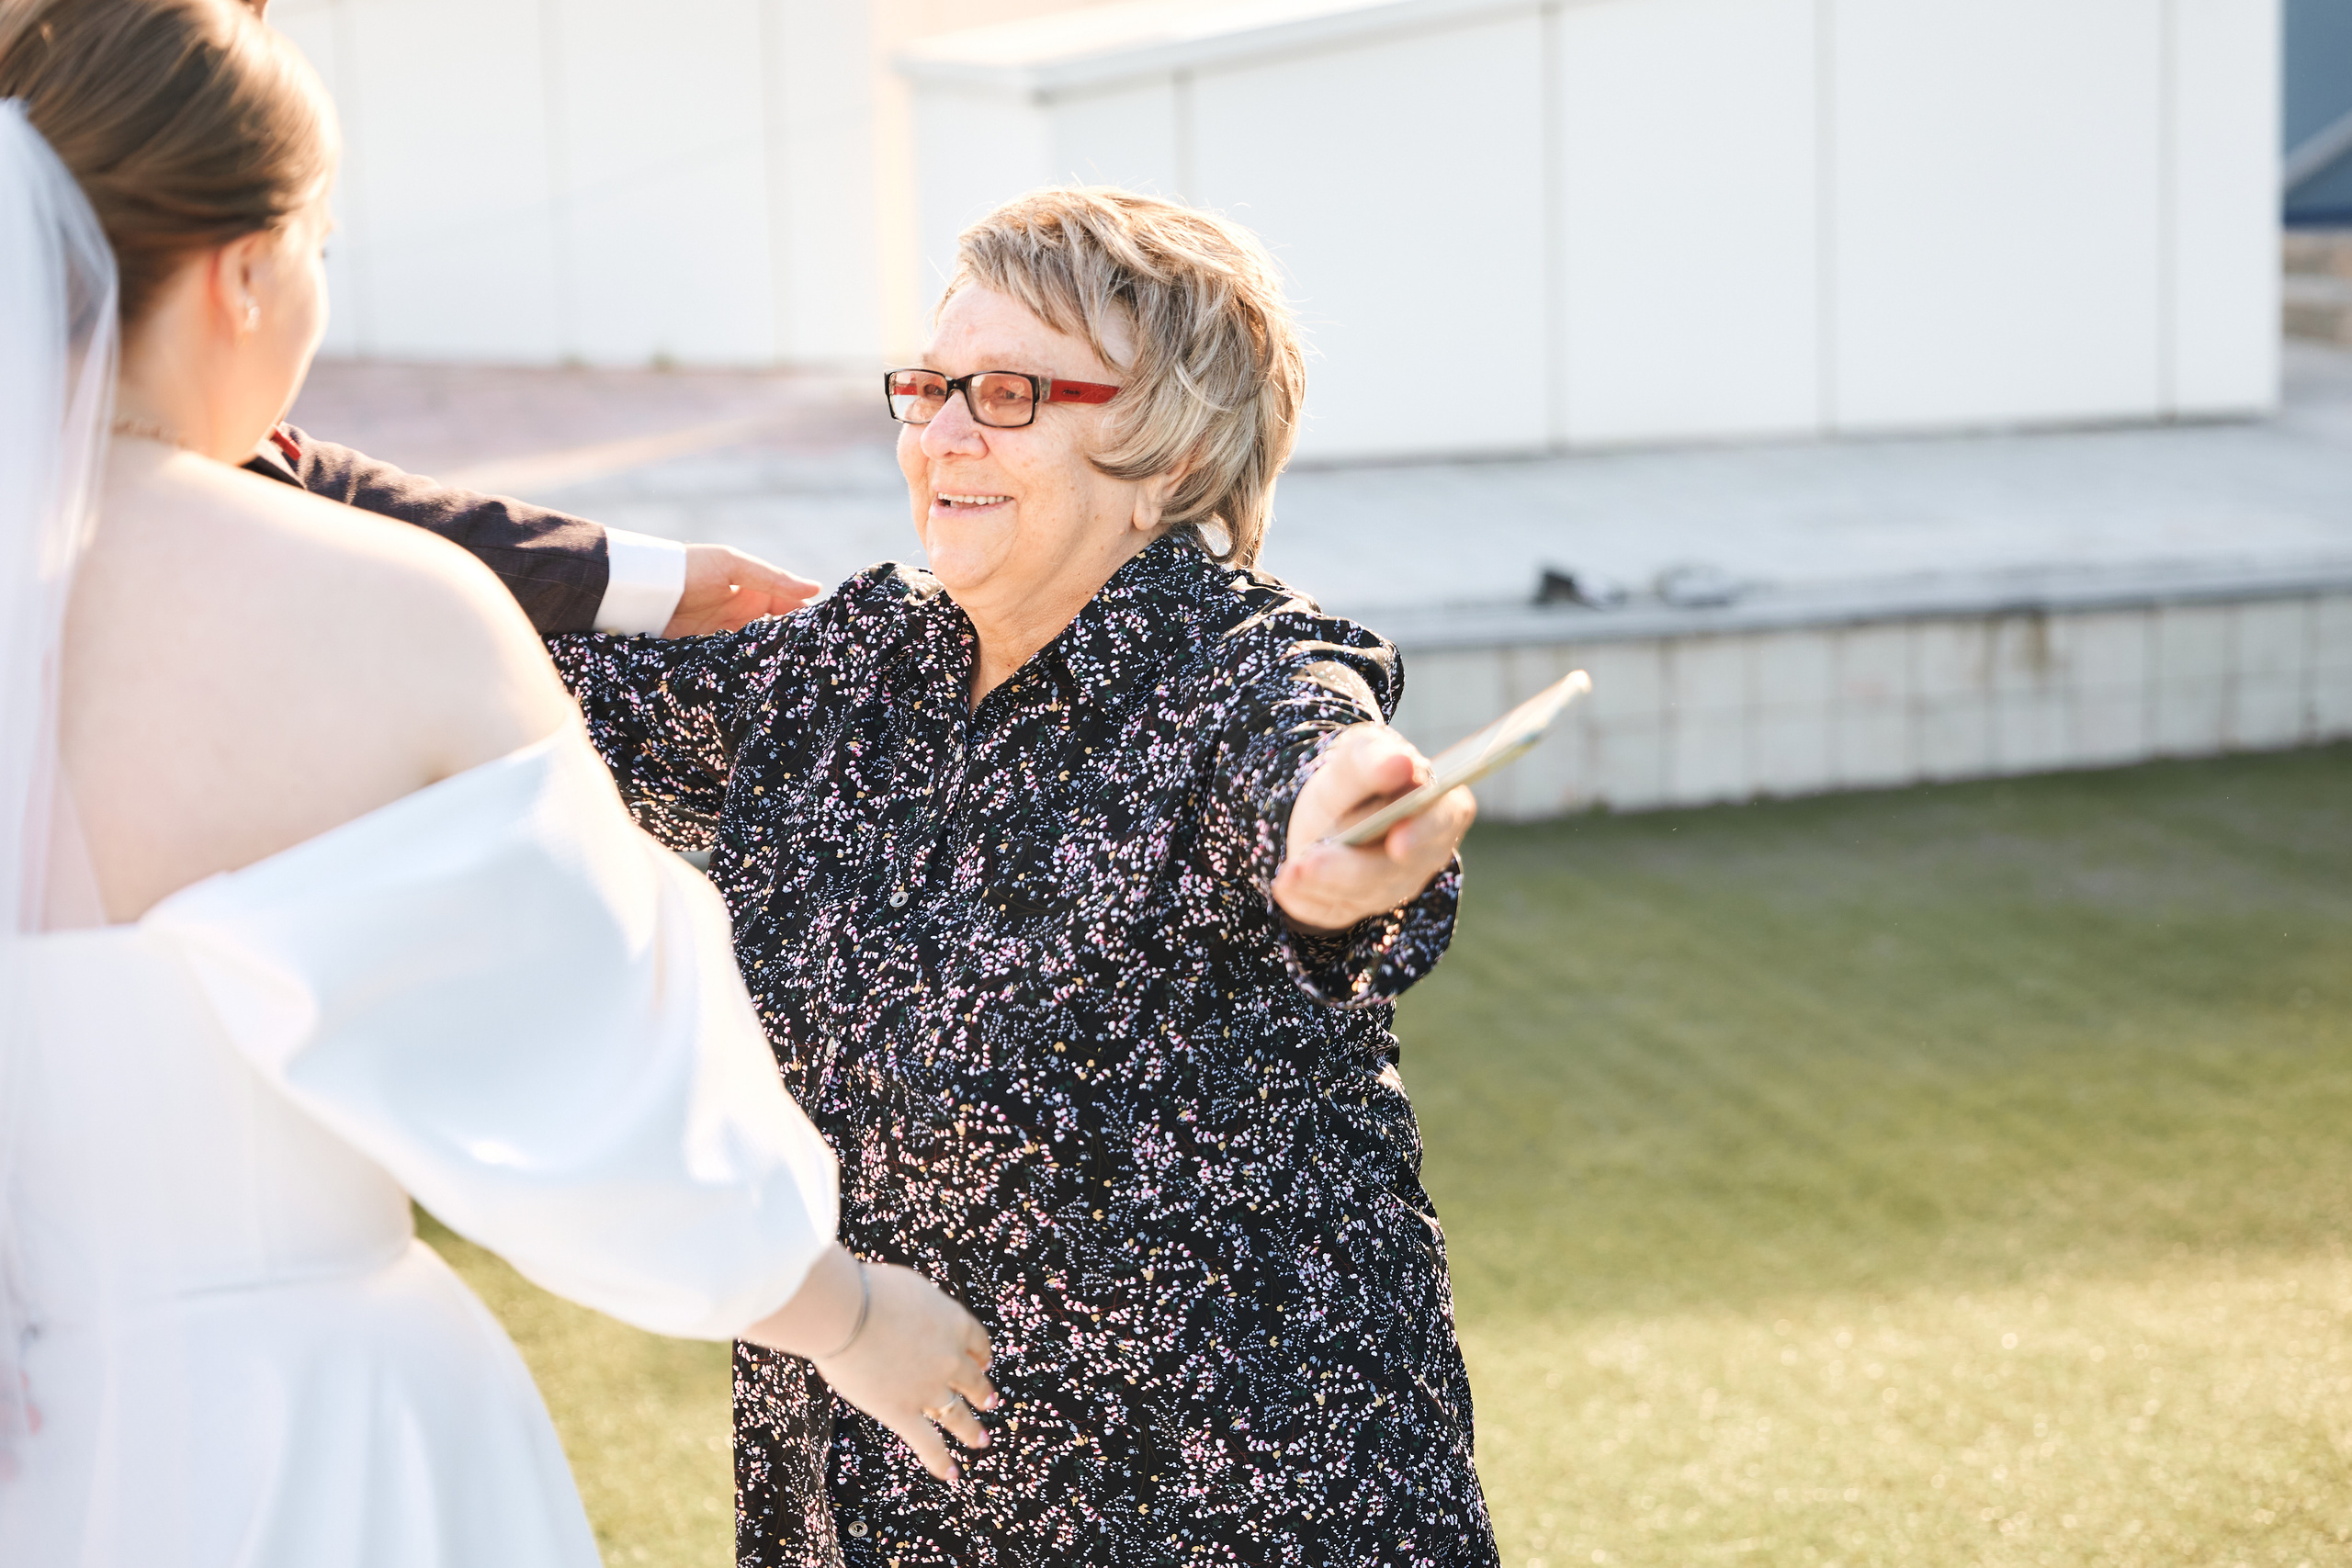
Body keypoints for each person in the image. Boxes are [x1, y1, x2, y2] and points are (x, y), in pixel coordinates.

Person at [0, 2, 991, 1563]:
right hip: (295, 1442)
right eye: (320, 238)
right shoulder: (371, 610)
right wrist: (847, 1310)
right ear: (245, 268)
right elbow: (609, 1094)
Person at [550, 187, 1498, 1566]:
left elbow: (1321, 779)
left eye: (1003, 394)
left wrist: (1347, 841)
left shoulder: (1234, 681)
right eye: (928, 387)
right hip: (864, 1504)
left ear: (1169, 456)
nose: (938, 437)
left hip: (1220, 1508)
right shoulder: (850, 667)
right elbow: (490, 669)